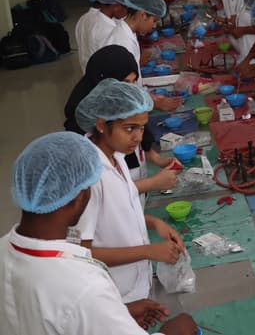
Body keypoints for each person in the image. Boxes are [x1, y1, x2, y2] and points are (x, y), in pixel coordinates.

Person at [0, 132, 198, 335]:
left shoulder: (4, 249)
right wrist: (176, 330)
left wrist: (116, 315)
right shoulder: (85, 285)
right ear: (80, 195)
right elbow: (76, 306)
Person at [74, 80, 186, 303]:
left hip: (134, 285)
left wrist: (153, 222)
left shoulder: (116, 157)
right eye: (129, 128)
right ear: (101, 124)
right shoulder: (90, 176)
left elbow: (115, 213)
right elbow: (82, 254)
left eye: (142, 128)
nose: (138, 137)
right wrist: (149, 251)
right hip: (114, 294)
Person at [65, 45, 179, 199]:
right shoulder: (91, 150)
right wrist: (153, 183)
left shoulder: (117, 150)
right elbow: (106, 196)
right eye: (125, 82)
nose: (130, 89)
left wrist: (157, 159)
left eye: (134, 81)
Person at [102, 0, 166, 82]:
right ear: (143, 15)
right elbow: (124, 85)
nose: (154, 26)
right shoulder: (122, 42)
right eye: (154, 21)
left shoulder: (129, 32)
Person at [76, 0, 129, 72]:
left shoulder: (83, 18)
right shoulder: (108, 29)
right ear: (116, 6)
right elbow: (113, 66)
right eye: (126, 8)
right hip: (102, 79)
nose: (126, 13)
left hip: (88, 74)